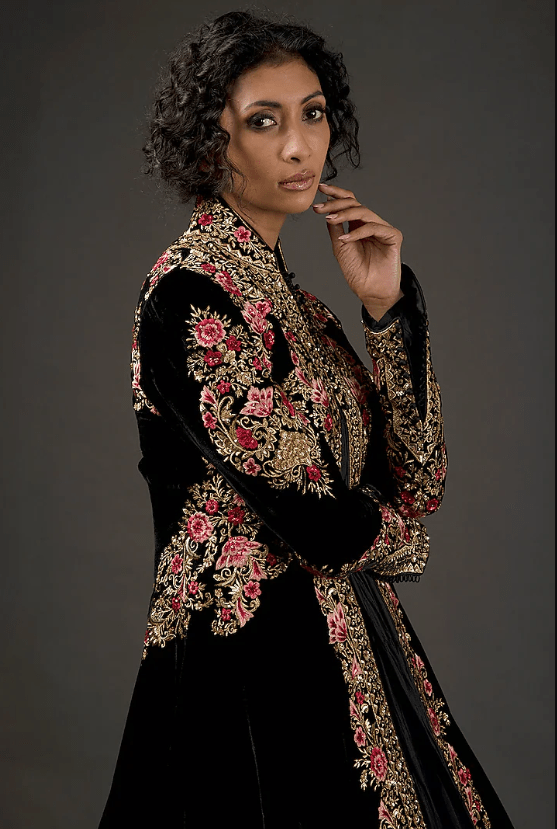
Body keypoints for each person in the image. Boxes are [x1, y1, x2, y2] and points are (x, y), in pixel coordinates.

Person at [99, 11, 515, 829]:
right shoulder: (188, 293)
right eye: (264, 121)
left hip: (349, 642)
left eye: (313, 113)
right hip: (247, 673)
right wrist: (400, 543)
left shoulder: (306, 310)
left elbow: (416, 479)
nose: (299, 147)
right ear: (209, 140)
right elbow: (314, 523)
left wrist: (385, 309)